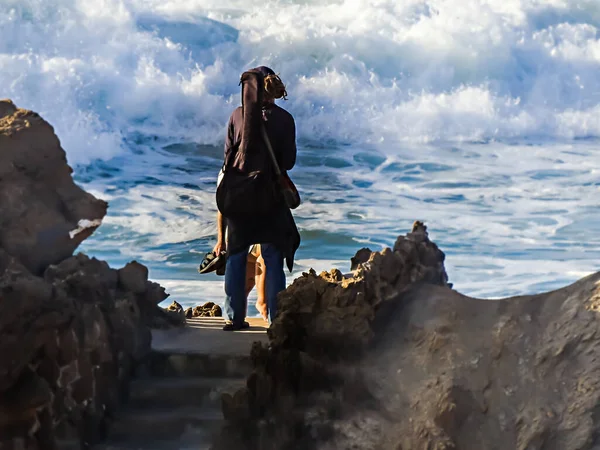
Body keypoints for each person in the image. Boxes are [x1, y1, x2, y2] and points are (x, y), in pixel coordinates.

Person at [219, 66, 300, 331]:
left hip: (240, 197)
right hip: (270, 197)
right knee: (273, 256)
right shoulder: (285, 119)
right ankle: (275, 319)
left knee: (236, 256)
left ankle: (234, 318)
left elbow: (228, 160)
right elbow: (288, 161)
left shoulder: (236, 116)